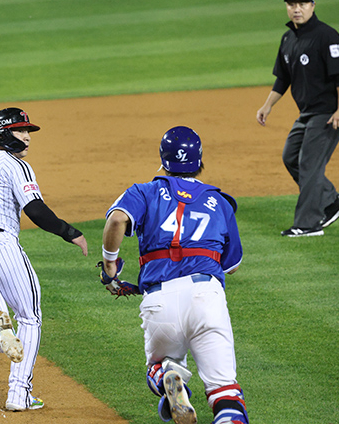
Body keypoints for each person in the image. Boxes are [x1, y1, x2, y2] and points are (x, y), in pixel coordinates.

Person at [100, 127, 248, 424]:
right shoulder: (219, 201)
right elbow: (232, 264)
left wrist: (110, 264)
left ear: (162, 159)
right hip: (206, 297)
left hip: (160, 300)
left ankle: (170, 377)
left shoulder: (143, 191)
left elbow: (117, 219)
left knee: (159, 365)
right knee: (225, 393)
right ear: (200, 159)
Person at [0, 108, 88, 411]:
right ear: (2, 133)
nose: (27, 137)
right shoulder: (15, 165)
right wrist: (70, 232)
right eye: (20, 130)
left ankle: (2, 334)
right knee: (29, 317)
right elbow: (35, 211)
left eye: (28, 131)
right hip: (0, 247)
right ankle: (18, 394)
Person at [256, 0, 339, 237]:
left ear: (313, 5)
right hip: (307, 112)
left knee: (309, 164)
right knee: (291, 157)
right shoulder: (288, 39)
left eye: (302, 4)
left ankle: (308, 225)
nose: (296, 9)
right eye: (291, 4)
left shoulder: (327, 36)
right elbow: (283, 78)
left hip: (328, 112)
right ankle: (331, 201)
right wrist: (267, 105)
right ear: (286, 7)